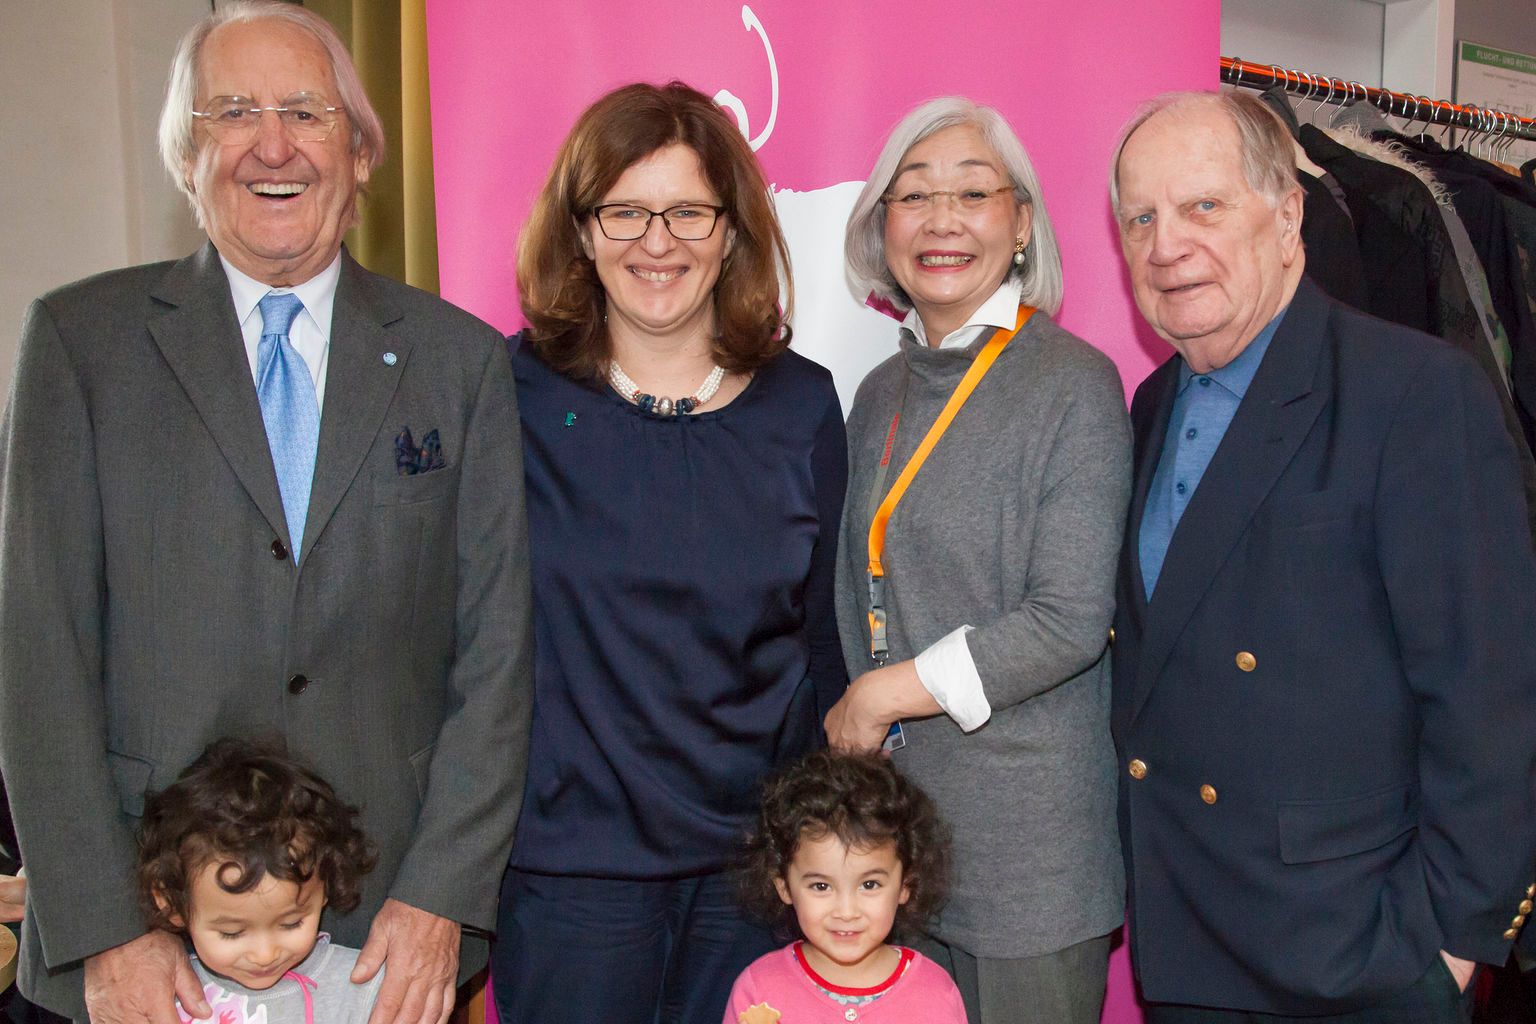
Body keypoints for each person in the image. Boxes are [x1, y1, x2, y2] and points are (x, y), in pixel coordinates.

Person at [0, 3, 533, 1022]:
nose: (273, 145)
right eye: (233, 112)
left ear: (362, 150)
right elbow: (38, 653)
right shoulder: (80, 346)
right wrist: (110, 922)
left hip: (384, 931)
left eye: (306, 111)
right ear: (185, 156)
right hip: (152, 929)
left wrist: (439, 896)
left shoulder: (458, 361)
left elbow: (498, 654)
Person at [1108, 89, 1536, 1023]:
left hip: (1357, 961)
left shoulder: (1416, 394)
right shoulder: (1148, 409)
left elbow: (1492, 696)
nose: (1165, 243)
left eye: (1203, 206)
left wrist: (1455, 948)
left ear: (1290, 211)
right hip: (1189, 951)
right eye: (1139, 216)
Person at [492, 81, 847, 1024]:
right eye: (626, 211)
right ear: (581, 231)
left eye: (689, 211)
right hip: (571, 874)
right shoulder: (511, 394)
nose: (659, 242)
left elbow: (824, 644)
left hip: (752, 875)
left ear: (732, 231)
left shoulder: (802, 406)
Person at [830, 97, 1131, 1024]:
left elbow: (1066, 621)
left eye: (973, 192)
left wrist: (880, 693)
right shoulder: (879, 392)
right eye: (913, 196)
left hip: (1028, 855)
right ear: (882, 228)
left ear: (1022, 222)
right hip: (896, 847)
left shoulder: (1073, 384)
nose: (942, 220)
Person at [137, 739, 381, 1024]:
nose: (265, 955)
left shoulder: (366, 989)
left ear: (326, 885)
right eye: (231, 932)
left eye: (291, 923)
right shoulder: (159, 999)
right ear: (171, 904)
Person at [725, 749, 964, 1024]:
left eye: (869, 884)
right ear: (784, 886)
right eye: (821, 886)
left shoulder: (935, 992)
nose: (846, 911)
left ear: (905, 885)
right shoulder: (759, 990)